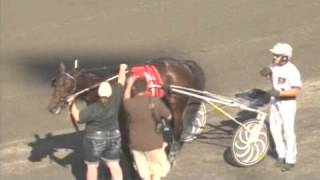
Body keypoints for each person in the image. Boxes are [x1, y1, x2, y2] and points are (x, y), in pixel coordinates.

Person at [67, 64, 127, 180]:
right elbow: (121, 81)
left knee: (92, 167)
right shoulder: (116, 97)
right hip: (114, 135)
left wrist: (72, 103)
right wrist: (122, 69)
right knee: (114, 165)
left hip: (94, 139)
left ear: (99, 93)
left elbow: (78, 118)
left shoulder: (93, 108)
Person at [260, 43, 302, 172]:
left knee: (288, 132)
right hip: (275, 101)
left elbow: (296, 91)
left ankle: (290, 160)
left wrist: (280, 93)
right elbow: (273, 78)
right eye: (274, 55)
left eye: (276, 55)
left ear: (285, 57)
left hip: (287, 103)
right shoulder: (274, 66)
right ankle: (281, 155)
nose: (274, 57)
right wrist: (266, 73)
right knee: (274, 128)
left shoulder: (292, 70)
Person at [123, 76, 172, 180]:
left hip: (136, 145)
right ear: (147, 88)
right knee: (157, 172)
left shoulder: (130, 104)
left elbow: (126, 98)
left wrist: (129, 84)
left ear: (134, 89)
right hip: (153, 143)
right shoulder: (154, 101)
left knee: (145, 174)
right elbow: (169, 116)